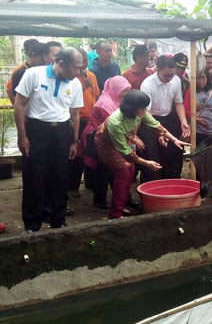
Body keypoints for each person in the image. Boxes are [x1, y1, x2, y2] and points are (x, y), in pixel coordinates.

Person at [14, 47, 83, 233]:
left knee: (60, 177)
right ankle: (32, 224)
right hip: (36, 131)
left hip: (61, 133)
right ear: (61, 63)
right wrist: (22, 136)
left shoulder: (74, 83)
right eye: (75, 68)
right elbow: (19, 104)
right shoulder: (34, 75)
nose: (77, 73)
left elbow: (75, 113)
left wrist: (74, 141)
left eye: (80, 69)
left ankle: (58, 220)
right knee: (34, 177)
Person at [95, 89, 189, 219]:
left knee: (131, 170)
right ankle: (115, 214)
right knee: (124, 172)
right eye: (143, 108)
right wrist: (147, 163)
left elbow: (156, 126)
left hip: (124, 140)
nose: (145, 111)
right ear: (132, 108)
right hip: (107, 145)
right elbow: (126, 153)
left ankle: (121, 206)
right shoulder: (116, 122)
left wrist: (174, 139)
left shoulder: (140, 113)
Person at [79, 76, 131, 209]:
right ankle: (100, 200)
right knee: (104, 170)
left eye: (127, 90)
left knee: (115, 169)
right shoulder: (105, 104)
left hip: (110, 137)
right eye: (123, 90)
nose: (126, 94)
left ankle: (123, 198)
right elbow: (114, 125)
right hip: (98, 138)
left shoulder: (118, 100)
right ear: (115, 89)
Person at [139, 55, 190, 182]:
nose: (170, 78)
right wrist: (158, 132)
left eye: (172, 75)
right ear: (158, 70)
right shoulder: (147, 84)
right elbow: (147, 113)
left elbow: (178, 102)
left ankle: (172, 181)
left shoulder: (176, 80)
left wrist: (183, 121)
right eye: (167, 75)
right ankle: (151, 185)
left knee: (174, 151)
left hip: (169, 118)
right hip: (150, 120)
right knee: (152, 153)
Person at [68, 48, 100, 197]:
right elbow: (68, 99)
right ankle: (72, 186)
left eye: (86, 60)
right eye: (82, 61)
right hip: (76, 120)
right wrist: (83, 86)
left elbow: (97, 96)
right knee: (76, 156)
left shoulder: (91, 75)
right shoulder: (71, 78)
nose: (85, 64)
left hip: (91, 120)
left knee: (91, 152)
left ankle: (91, 182)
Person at [184, 68, 212, 146]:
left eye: (203, 77)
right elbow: (186, 109)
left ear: (207, 78)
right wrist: (196, 118)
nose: (201, 80)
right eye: (198, 78)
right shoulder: (191, 92)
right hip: (198, 131)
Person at [6, 38, 39, 104]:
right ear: (26, 53)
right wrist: (17, 106)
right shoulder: (19, 70)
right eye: (32, 53)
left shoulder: (46, 66)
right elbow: (9, 89)